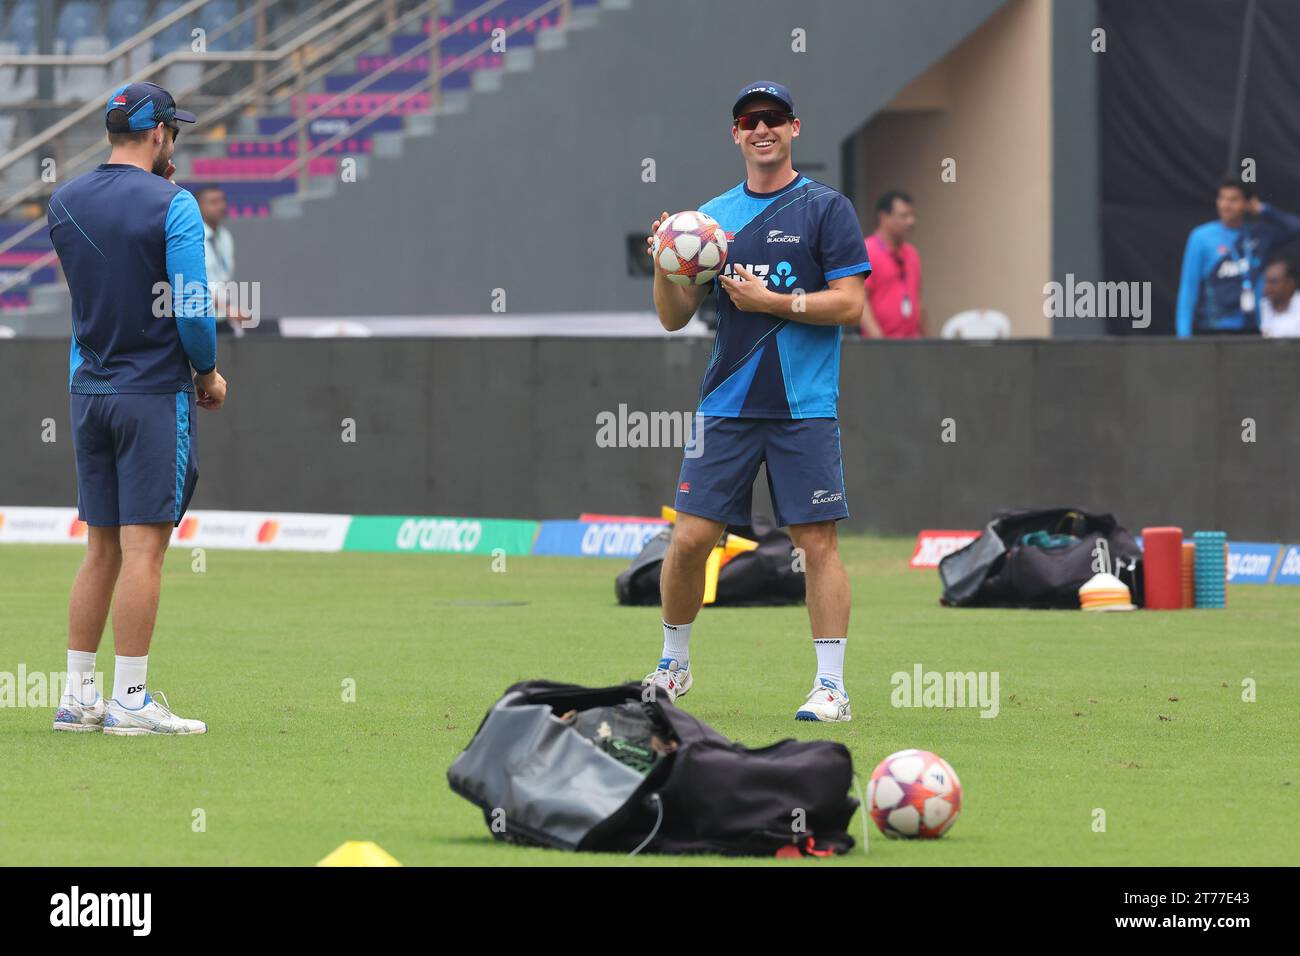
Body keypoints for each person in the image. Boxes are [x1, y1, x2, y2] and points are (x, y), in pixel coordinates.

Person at [642, 81, 870, 722]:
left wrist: (774, 303)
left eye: (773, 118)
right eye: (750, 121)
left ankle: (831, 688)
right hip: (725, 406)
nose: (762, 129)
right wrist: (665, 264)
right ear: (735, 134)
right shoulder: (710, 220)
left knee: (816, 543)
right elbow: (673, 318)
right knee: (689, 540)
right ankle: (673, 665)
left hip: (804, 406)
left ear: (795, 128)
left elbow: (851, 304)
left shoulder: (826, 209)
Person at [48, 81, 227, 736]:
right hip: (151, 393)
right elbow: (192, 309)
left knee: (100, 549)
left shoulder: (63, 200)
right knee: (144, 549)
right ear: (159, 135)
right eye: (172, 130)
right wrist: (206, 374)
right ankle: (130, 699)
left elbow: (95, 294)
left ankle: (77, 698)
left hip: (88, 392)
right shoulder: (173, 204)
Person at [1175, 180, 1300, 336]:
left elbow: (1296, 227)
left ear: (1246, 204)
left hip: (1253, 328)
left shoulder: (1258, 235)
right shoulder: (1201, 237)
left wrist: (1263, 209)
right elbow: (1188, 289)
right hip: (1214, 329)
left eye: (1233, 200)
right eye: (1222, 198)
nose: (1225, 205)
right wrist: (1183, 336)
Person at [861, 190, 925, 338]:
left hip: (912, 344)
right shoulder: (868, 250)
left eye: (912, 216)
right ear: (883, 217)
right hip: (881, 348)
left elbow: (918, 301)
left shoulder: (911, 254)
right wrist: (879, 340)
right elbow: (861, 300)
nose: (911, 221)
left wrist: (928, 341)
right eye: (904, 216)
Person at [197, 186, 247, 335]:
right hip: (201, 321)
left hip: (222, 319)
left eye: (222, 201)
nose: (221, 206)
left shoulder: (225, 237)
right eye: (213, 202)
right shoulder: (191, 239)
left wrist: (231, 310)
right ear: (198, 207)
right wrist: (228, 309)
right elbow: (193, 286)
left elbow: (223, 280)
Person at [1260, 258, 1300, 337]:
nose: (1267, 288)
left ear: (1290, 284)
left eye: (1273, 282)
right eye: (1266, 282)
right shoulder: (1263, 306)